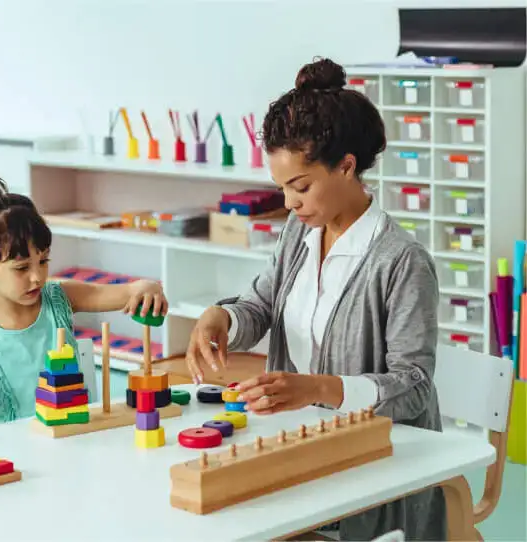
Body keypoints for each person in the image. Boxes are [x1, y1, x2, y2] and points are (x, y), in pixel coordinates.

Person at [185, 58, 445, 540]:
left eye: (300, 187)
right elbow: (261, 306)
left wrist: (318, 388)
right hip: (303, 449)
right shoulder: (298, 234)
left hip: (375, 474)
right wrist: (220, 315)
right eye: (282, 188)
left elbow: (414, 387)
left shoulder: (402, 262)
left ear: (347, 166)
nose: (289, 203)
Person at [0, 177, 167, 427]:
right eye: (22, 267)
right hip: (15, 456)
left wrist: (146, 287)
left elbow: (122, 293)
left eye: (43, 261)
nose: (37, 277)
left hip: (73, 443)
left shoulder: (59, 298)